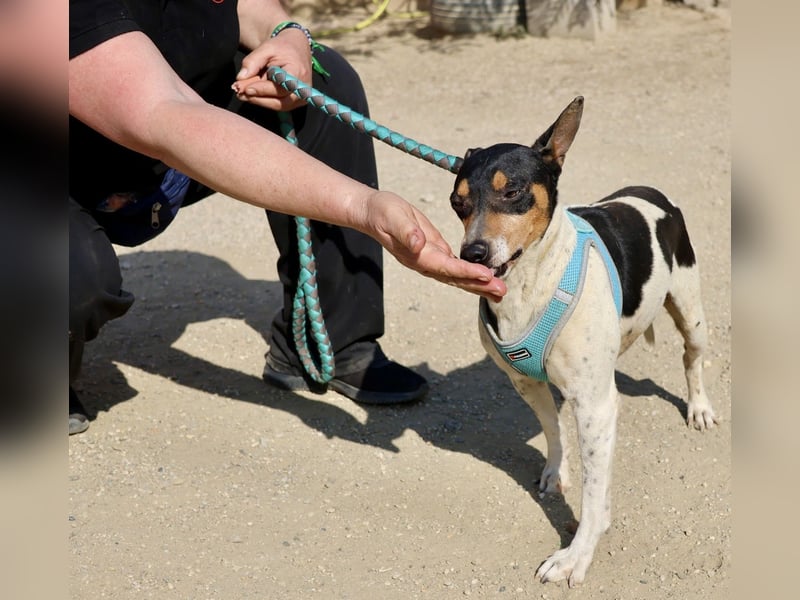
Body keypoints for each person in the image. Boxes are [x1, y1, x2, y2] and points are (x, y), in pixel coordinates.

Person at [69, 0, 506, 435]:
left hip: (162, 138)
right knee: (73, 274)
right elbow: (163, 113)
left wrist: (289, 36)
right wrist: (364, 207)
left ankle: (329, 344)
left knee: (325, 82)